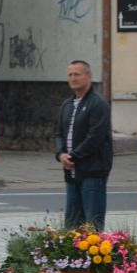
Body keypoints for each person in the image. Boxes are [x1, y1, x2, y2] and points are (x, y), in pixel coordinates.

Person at [54, 60, 113, 229]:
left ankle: (93, 255)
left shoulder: (98, 103)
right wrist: (60, 155)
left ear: (89, 77)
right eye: (70, 75)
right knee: (72, 226)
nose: (73, 78)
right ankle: (73, 256)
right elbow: (58, 134)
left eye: (77, 74)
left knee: (92, 225)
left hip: (93, 171)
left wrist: (72, 156)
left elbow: (95, 137)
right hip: (71, 172)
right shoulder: (67, 104)